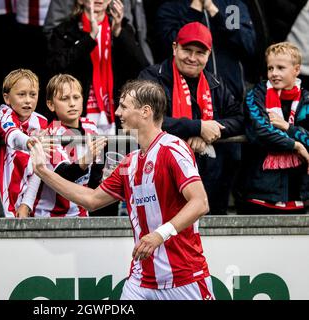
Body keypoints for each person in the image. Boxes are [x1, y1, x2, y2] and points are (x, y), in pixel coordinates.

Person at [29, 79, 214, 300]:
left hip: (184, 278)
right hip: (140, 281)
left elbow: (200, 202)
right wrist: (43, 171)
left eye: (124, 106)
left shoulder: (173, 148)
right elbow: (92, 199)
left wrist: (158, 235)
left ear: (145, 112)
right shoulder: (130, 162)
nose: (117, 112)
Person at [139, 22, 243, 215]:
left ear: (209, 54)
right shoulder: (151, 77)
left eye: (200, 53)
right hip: (161, 177)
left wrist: (207, 131)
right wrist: (197, 127)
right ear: (174, 48)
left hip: (208, 181)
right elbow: (144, 119)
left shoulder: (215, 83)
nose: (192, 58)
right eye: (187, 50)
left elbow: (239, 118)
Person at [47, 0, 149, 135]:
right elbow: (56, 67)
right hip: (78, 112)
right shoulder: (65, 29)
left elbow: (141, 67)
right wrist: (89, 38)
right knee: (83, 155)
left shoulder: (121, 27)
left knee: (116, 154)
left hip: (116, 113)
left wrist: (119, 32)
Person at [236, 42, 309, 215]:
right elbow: (261, 132)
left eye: (280, 68)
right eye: (270, 68)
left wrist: (287, 127)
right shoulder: (256, 95)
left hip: (297, 195)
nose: (274, 73)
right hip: (258, 194)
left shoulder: (306, 99)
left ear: (296, 70)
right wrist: (296, 145)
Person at [21, 74, 106, 217]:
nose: (72, 103)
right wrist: (88, 158)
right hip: (48, 216)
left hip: (81, 213)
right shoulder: (50, 134)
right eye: (64, 99)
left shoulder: (91, 126)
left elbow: (95, 177)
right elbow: (64, 176)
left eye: (76, 97)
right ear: (51, 105)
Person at [0, 69, 49, 218]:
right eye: (21, 94)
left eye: (33, 94)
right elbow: (13, 134)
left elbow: (39, 170)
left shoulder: (41, 122)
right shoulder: (3, 114)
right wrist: (30, 142)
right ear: (7, 98)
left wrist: (27, 204)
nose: (28, 100)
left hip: (20, 202)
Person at [154, 0, 256, 102]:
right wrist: (194, 11)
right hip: (187, 100)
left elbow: (247, 45)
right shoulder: (172, 7)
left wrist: (215, 13)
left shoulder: (231, 6)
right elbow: (169, 48)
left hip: (232, 96)